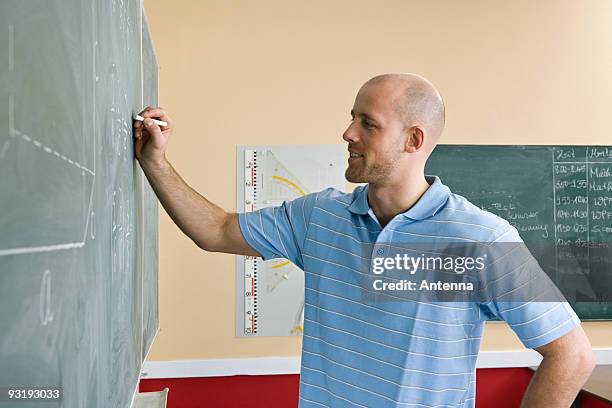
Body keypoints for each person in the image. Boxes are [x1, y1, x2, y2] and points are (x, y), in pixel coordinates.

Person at [133, 73, 595, 407]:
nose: (348, 133)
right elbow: (216, 231)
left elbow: (571, 355)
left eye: (367, 123)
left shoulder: (479, 238)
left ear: (414, 139)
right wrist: (156, 163)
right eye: (352, 118)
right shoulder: (320, 217)